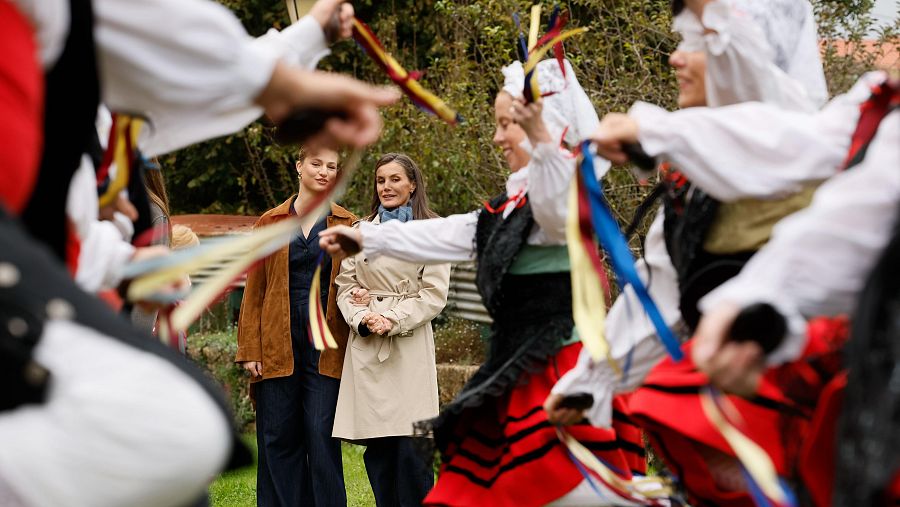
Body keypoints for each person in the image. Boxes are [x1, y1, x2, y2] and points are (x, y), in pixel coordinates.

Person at [544, 0, 836, 504]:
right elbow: (657, 291)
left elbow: (763, 113)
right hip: (728, 411)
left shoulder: (801, 141)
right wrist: (591, 382)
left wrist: (711, 11)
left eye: (695, 46)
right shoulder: (694, 180)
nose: (675, 59)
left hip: (805, 411)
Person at [321, 58, 648, 507]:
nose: (497, 138)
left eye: (506, 125)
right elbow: (450, 232)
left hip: (563, 373)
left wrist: (542, 138)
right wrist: (366, 236)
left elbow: (556, 195)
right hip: (515, 371)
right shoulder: (513, 202)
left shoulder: (562, 198)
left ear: (544, 125)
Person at [236, 147, 357, 507]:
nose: (324, 172)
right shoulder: (270, 222)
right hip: (277, 345)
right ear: (299, 165)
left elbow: (359, 279)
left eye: (332, 167)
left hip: (327, 348)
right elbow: (253, 290)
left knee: (322, 434)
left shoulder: (346, 224)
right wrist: (250, 349)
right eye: (316, 164)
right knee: (277, 436)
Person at [332, 153, 451, 507]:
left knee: (412, 449)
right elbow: (344, 285)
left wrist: (392, 318)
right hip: (368, 348)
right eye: (381, 180)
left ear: (412, 184)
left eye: (395, 179)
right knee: (380, 450)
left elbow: (433, 295)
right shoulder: (359, 231)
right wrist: (363, 317)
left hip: (409, 346)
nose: (387, 186)